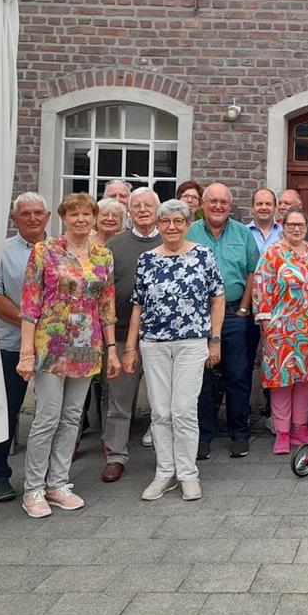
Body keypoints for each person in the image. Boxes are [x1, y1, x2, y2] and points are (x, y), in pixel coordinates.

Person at [17, 192, 120, 518]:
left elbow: (106, 306)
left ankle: (58, 483)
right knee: (47, 416)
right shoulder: (45, 251)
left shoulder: (103, 256)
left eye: (86, 214)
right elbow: (30, 304)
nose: (81, 220)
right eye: (74, 214)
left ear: (93, 218)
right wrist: (26, 353)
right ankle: (33, 488)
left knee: (72, 417)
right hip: (51, 346)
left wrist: (112, 350)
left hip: (87, 347)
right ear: (63, 217)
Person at [123, 199, 225, 502]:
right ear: (158, 225)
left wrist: (214, 340)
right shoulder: (147, 259)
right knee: (160, 411)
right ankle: (164, 472)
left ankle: (188, 473)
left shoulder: (202, 255)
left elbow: (217, 298)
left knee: (183, 410)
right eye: (165, 221)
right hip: (154, 343)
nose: (171, 227)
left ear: (187, 224)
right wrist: (130, 348)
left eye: (178, 221)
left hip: (191, 343)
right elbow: (138, 306)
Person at [187, 183, 259, 460]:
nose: (218, 206)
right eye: (213, 201)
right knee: (200, 377)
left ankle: (239, 434)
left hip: (233, 313)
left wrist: (243, 308)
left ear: (230, 206)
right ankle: (203, 436)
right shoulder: (190, 232)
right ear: (202, 203)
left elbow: (253, 271)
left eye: (223, 202)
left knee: (237, 375)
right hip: (198, 314)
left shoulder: (242, 233)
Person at [0, 192, 50, 502]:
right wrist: (32, 325)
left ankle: (49, 475)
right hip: (11, 343)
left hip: (54, 347)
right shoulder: (0, 252)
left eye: (38, 213)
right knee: (7, 410)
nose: (33, 218)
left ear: (48, 217)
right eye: (25, 213)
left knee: (52, 412)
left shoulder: (60, 249)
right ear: (14, 219)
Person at [100, 187, 162, 482]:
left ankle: (166, 456)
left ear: (157, 210)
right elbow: (105, 293)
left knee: (163, 402)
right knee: (120, 400)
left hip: (161, 336)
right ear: (129, 211)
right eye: (136, 206)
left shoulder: (169, 241)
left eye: (148, 205)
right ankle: (115, 455)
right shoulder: (115, 245)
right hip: (124, 333)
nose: (142, 210)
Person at [254, 208, 308, 454]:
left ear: (306, 227)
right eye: (291, 225)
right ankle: (282, 432)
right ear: (283, 227)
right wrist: (266, 325)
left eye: (300, 225)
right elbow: (261, 287)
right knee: (282, 380)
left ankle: (300, 429)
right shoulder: (273, 252)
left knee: (306, 379)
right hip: (280, 328)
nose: (296, 229)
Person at [248, 188, 283, 254]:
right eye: (259, 204)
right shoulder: (242, 233)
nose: (264, 207)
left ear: (275, 208)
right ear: (252, 208)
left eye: (268, 204)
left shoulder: (284, 232)